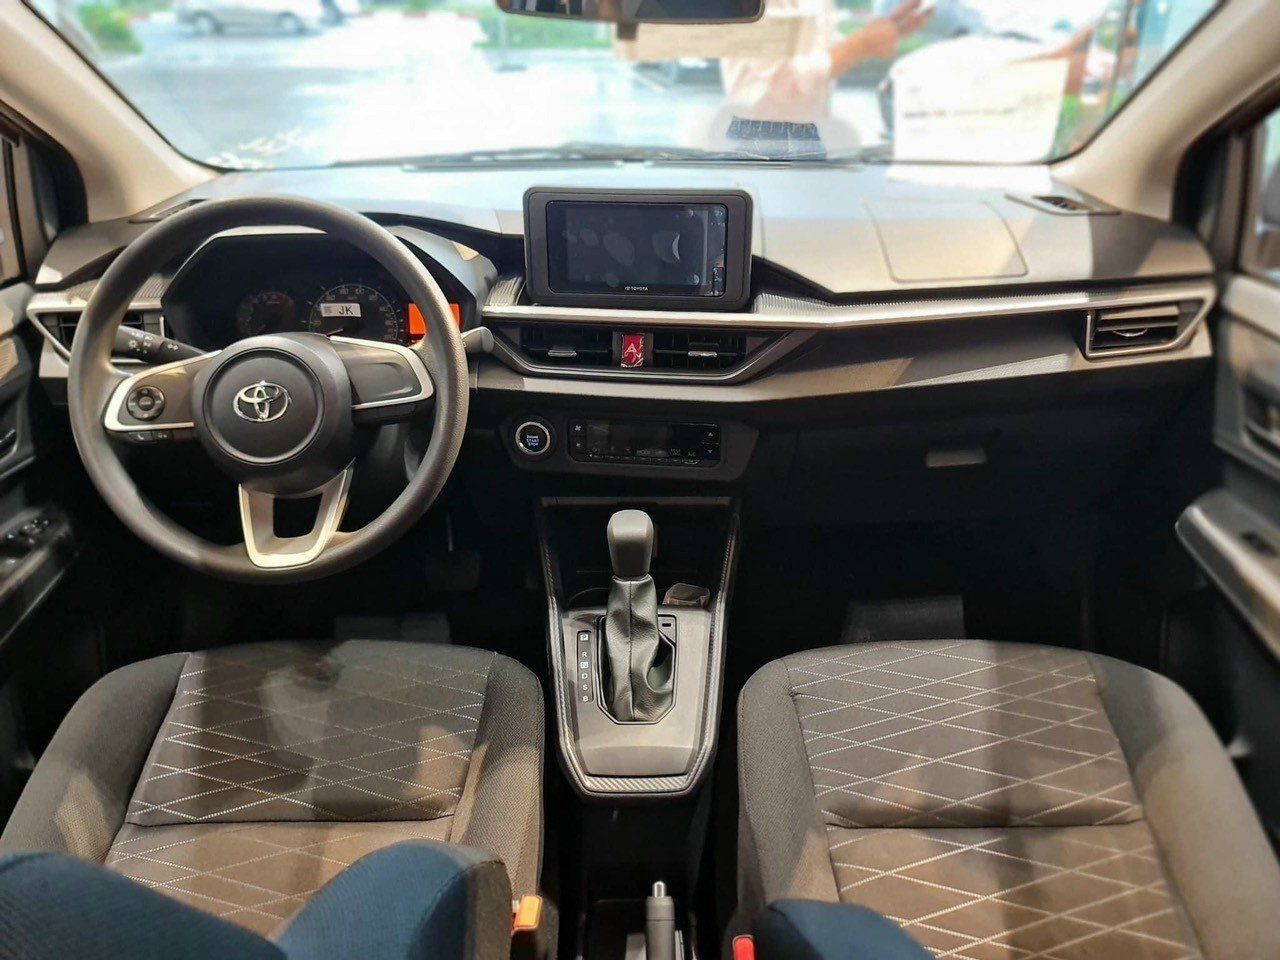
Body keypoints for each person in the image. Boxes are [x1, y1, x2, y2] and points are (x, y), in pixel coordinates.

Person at [715, 0, 932, 156]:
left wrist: (882, 32)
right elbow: (784, 81)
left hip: (808, 136)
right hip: (757, 142)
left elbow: (822, 56)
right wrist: (861, 44)